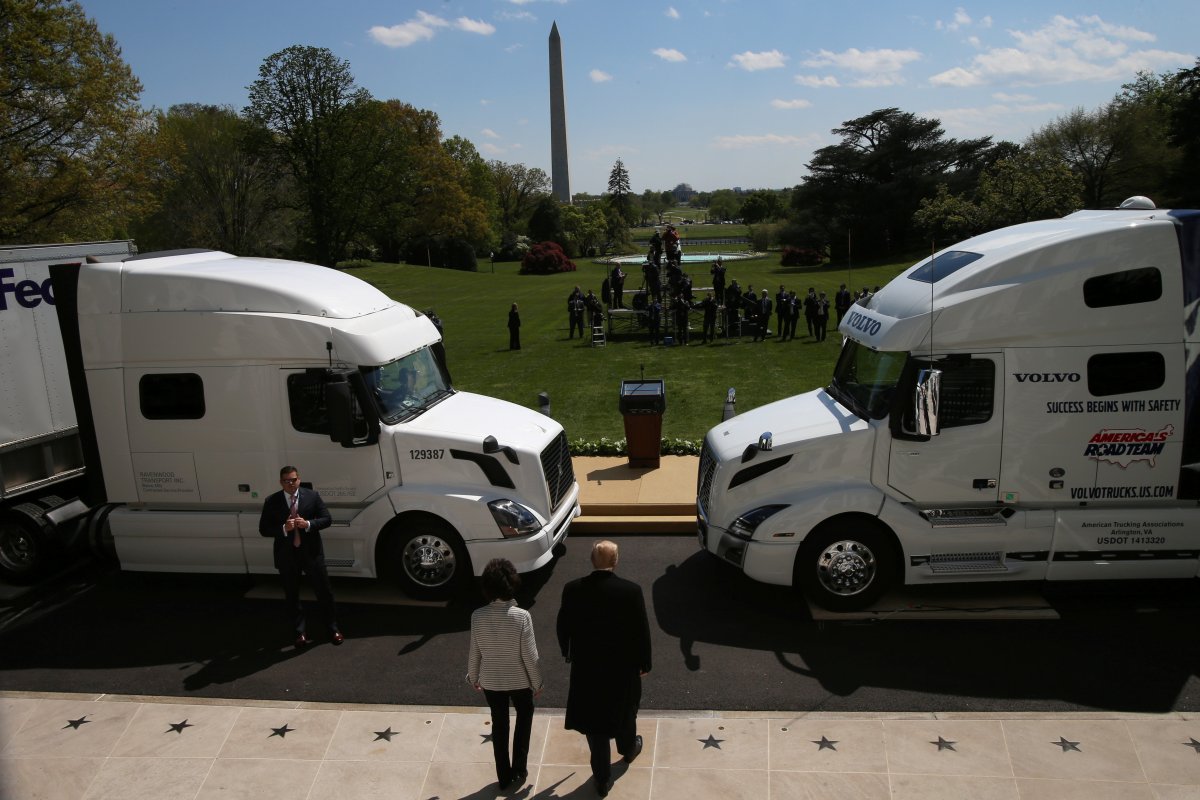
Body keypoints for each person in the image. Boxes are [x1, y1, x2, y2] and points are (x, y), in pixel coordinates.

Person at [557, 541, 651, 798]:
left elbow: (563, 625)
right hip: (622, 667)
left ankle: (601, 778)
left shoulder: (572, 589)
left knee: (595, 724)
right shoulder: (631, 591)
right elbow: (641, 630)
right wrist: (645, 663)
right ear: (616, 561)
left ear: (591, 560)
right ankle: (628, 748)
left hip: (587, 667)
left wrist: (567, 652)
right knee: (626, 709)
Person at [467, 558, 543, 792]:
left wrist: (473, 676)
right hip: (520, 681)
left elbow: (475, 651)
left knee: (499, 726)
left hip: (492, 681)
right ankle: (520, 767)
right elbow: (530, 656)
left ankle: (503, 775)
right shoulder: (521, 616)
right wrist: (537, 683)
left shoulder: (477, 616)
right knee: (524, 717)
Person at [258, 466, 341, 647]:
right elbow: (263, 529)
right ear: (281, 482)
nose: (291, 484)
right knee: (292, 596)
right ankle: (300, 633)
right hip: (287, 556)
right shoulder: (272, 501)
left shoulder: (312, 496)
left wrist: (309, 524)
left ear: (299, 479)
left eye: (294, 480)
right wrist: (283, 529)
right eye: (287, 481)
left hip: (311, 554)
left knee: (324, 593)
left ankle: (333, 629)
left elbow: (327, 519)